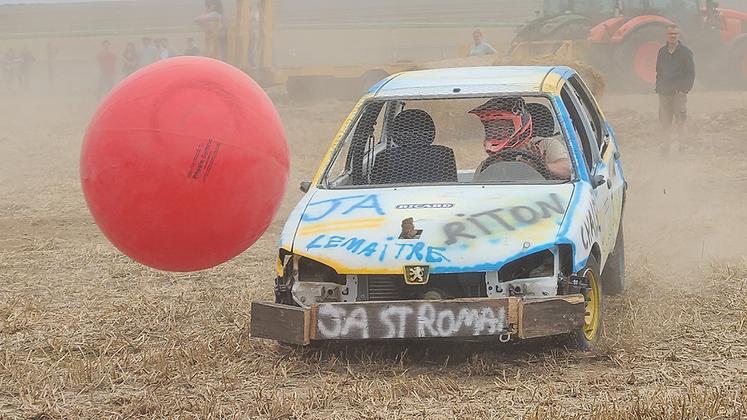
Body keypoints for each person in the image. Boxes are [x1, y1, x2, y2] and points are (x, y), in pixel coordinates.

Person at [471, 97, 572, 180]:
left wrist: (544, 167)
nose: (495, 131)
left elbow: (567, 170)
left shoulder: (545, 145)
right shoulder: (488, 163)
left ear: (520, 125)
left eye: (502, 126)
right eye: (491, 127)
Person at [655, 24, 695, 154]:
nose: (673, 36)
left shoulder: (686, 53)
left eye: (675, 34)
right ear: (667, 36)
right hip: (664, 93)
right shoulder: (662, 52)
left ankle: (682, 147)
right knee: (665, 121)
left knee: (680, 121)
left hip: (678, 94)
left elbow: (690, 73)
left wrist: (684, 90)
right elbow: (658, 70)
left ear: (678, 35)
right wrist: (659, 88)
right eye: (670, 34)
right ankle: (665, 147)